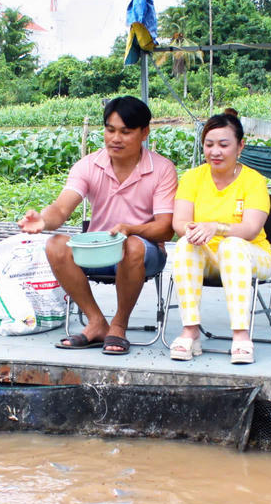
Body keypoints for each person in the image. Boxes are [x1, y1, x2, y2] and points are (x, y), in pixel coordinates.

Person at [18, 96, 177, 355]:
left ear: (144, 132)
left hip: (145, 252)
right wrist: (44, 220)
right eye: (110, 130)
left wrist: (131, 229)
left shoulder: (162, 169)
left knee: (133, 246)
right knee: (56, 245)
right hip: (98, 251)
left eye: (126, 132)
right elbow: (61, 208)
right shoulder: (88, 165)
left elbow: (166, 228)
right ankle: (96, 322)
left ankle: (118, 326)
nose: (115, 138)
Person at [169, 113, 271, 364]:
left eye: (224, 145)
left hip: (251, 257)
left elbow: (249, 229)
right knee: (184, 244)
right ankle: (190, 331)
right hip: (206, 258)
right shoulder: (193, 178)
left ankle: (240, 335)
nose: (215, 151)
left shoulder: (254, 181)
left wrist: (216, 227)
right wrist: (193, 231)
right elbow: (179, 223)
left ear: (240, 146)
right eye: (209, 144)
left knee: (233, 245)